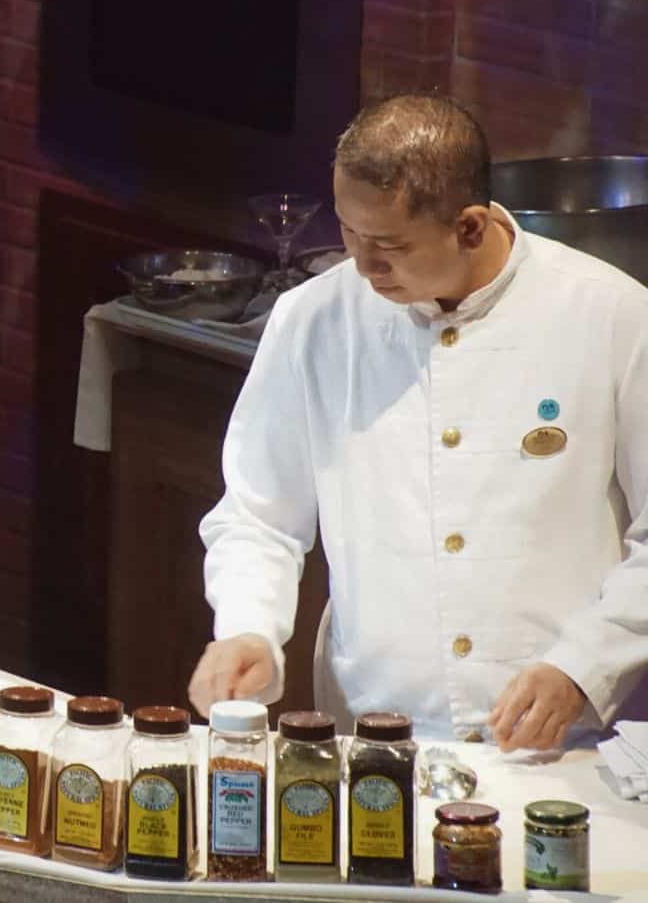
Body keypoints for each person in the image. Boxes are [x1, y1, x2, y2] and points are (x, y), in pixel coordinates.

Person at [188, 95, 648, 750]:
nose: (364, 265)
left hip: (564, 746)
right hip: (372, 734)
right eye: (350, 233)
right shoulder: (313, 320)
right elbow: (259, 514)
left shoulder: (613, 317)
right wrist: (248, 626)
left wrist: (584, 666)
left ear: (469, 226)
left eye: (390, 246)